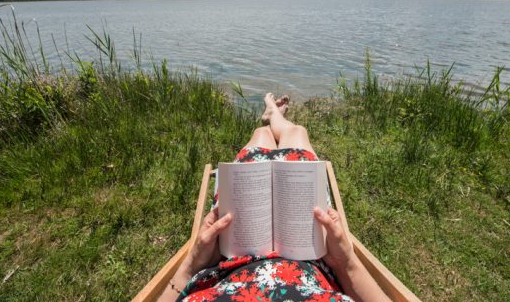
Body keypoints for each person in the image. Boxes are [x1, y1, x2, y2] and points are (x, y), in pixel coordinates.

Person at [158, 93, 390, 301]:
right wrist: (345, 263)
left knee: (261, 136)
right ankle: (274, 114)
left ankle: (271, 114)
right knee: (297, 133)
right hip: (313, 255)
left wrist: (192, 266)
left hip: (233, 256)